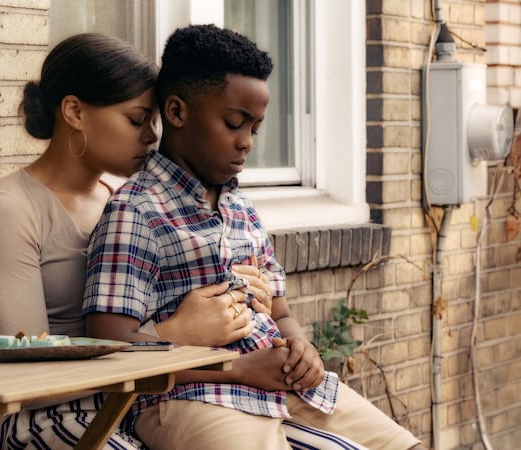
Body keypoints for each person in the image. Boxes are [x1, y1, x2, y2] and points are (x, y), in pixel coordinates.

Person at [83, 24, 426, 450]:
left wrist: (302, 348)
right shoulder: (136, 212)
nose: (246, 143)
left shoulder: (241, 208)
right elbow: (110, 349)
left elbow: (279, 313)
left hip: (284, 386)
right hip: (190, 397)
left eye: (256, 129)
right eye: (232, 123)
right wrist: (238, 369)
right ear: (176, 112)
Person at [0, 32, 264, 450]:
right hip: (57, 417)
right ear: (74, 112)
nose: (151, 137)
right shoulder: (9, 210)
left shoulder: (125, 201)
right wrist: (176, 332)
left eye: (154, 122)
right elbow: (29, 373)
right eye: (137, 120)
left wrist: (241, 291)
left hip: (144, 402)